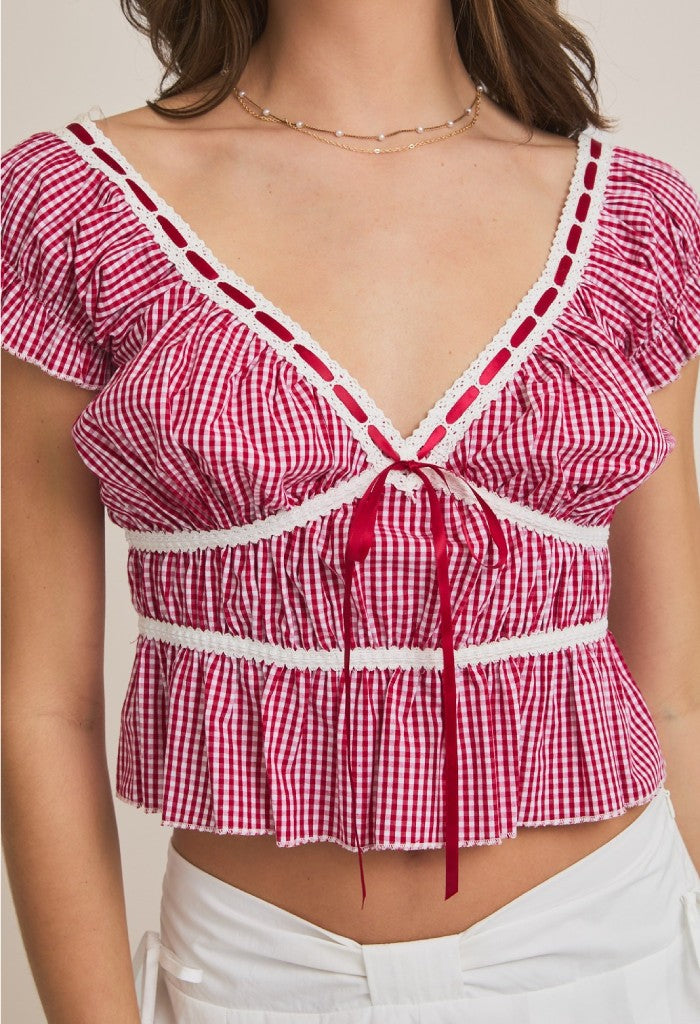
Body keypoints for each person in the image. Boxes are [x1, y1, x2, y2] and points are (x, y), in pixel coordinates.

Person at [2, 1, 700, 1021]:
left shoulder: (633, 217)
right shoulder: (73, 202)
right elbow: (38, 707)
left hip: (611, 950)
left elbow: (672, 695)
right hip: (259, 977)